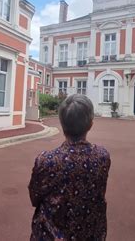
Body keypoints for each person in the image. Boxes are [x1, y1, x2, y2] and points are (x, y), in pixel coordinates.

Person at [28, 94, 111, 240]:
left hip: (51, 235)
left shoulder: (46, 160)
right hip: (91, 233)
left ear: (61, 123)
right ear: (90, 125)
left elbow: (35, 197)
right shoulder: (103, 156)